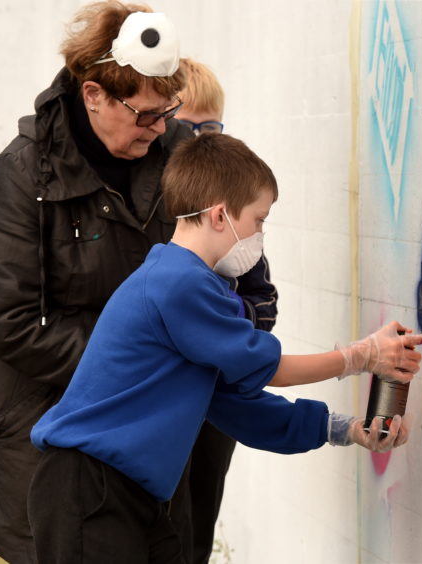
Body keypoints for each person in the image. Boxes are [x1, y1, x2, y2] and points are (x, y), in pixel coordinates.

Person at [0, 4, 269, 563]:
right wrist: (140, 363)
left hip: (170, 431)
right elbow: (11, 322)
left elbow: (246, 274)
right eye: (144, 115)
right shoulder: (22, 175)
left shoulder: (185, 156)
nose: (160, 128)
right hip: (51, 428)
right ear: (94, 95)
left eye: (168, 111)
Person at [27, 132, 422, 563]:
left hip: (129, 493)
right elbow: (265, 366)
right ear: (220, 216)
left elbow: (234, 404)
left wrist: (343, 428)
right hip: (91, 489)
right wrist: (361, 356)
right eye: (258, 219)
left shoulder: (192, 284)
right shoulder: (179, 283)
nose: (260, 234)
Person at [167, 58, 253, 564]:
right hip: (167, 395)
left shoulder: (233, 204)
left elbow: (262, 292)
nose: (199, 141)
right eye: (185, 128)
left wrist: (241, 329)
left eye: (212, 128)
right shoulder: (154, 205)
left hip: (217, 397)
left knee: (200, 520)